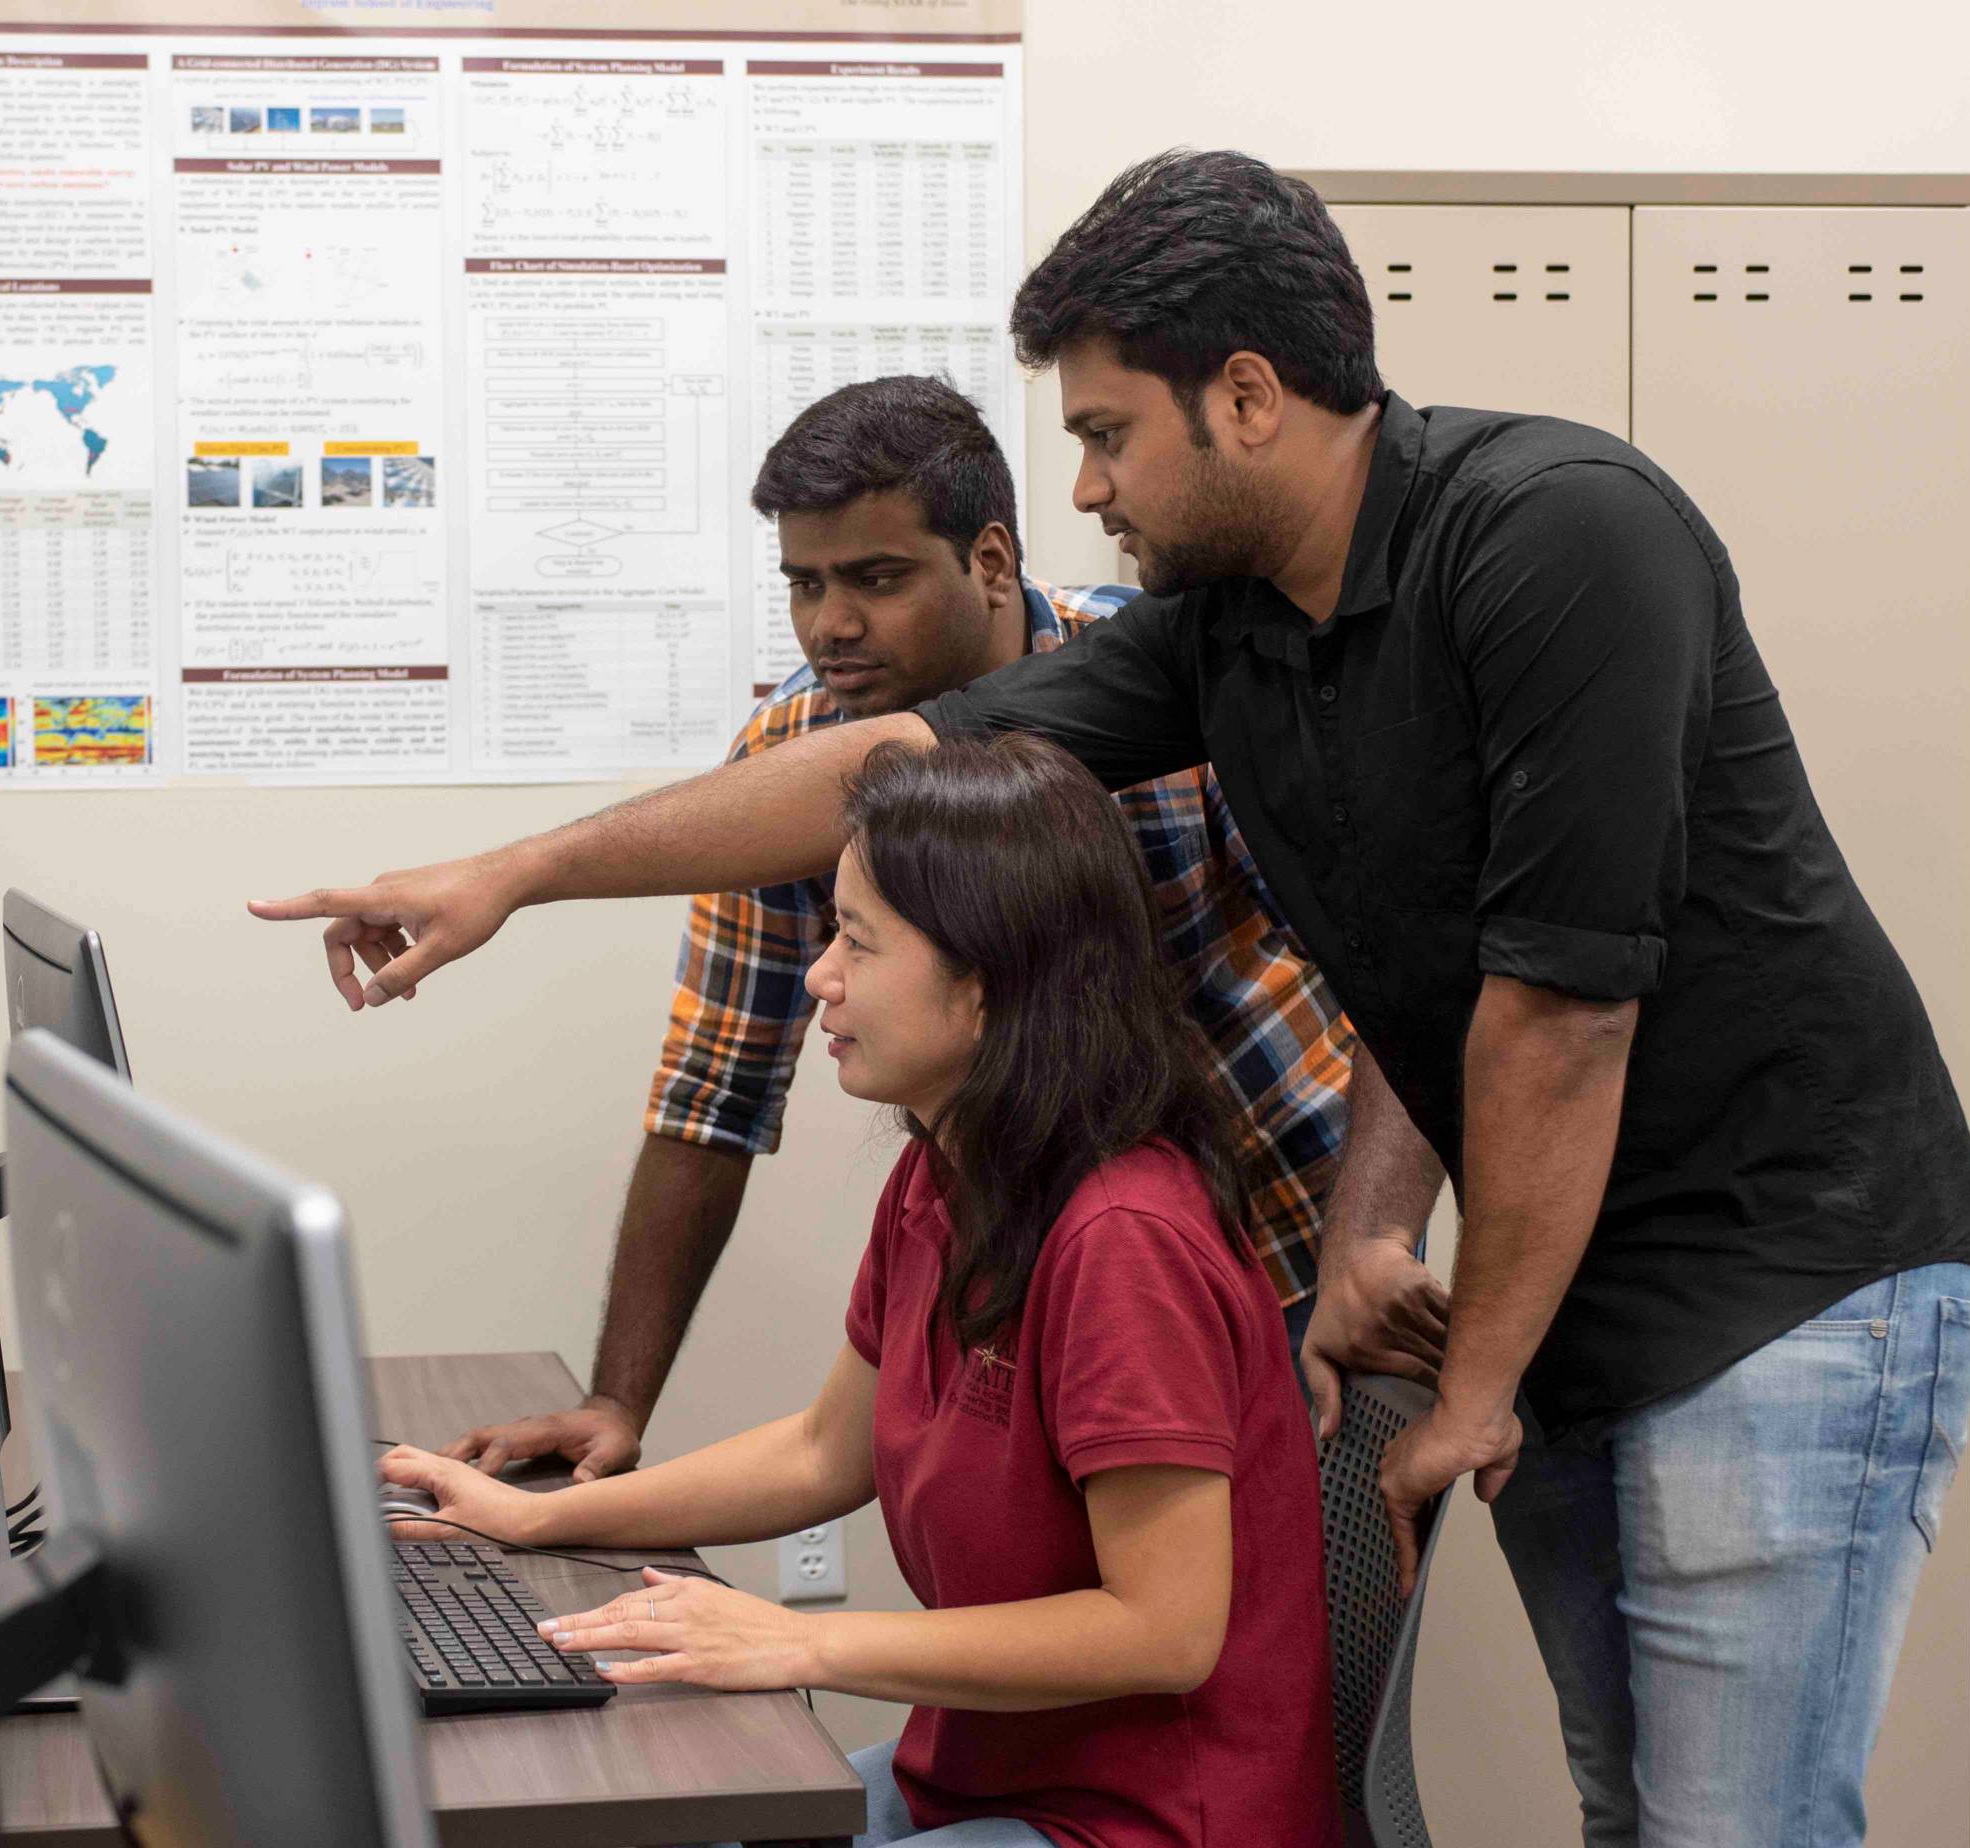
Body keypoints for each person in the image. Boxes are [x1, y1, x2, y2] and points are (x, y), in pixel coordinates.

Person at [261, 148, 1970, 1846]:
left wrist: (1466, 1378)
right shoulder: (1227, 630)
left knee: (1731, 1822)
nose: (1085, 488)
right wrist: (513, 875)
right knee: (1632, 1808)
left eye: (1104, 433)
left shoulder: (1555, 535)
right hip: (1558, 1280)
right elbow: (912, 774)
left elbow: (1556, 1005)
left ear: (1243, 396)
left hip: (1792, 1268)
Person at [437, 374, 1437, 1488]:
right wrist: (616, 1401)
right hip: (1035, 1268)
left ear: (992, 561)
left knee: (1270, 1625)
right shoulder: (788, 759)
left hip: (1290, 1229)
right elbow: (709, 1092)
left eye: (875, 578)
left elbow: (1404, 973)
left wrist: (1369, 1243)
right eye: (803, 585)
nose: (832, 624)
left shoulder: (1174, 677)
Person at [382, 736, 1341, 1848]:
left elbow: (1161, 1630)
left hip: (1140, 1822)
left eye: (856, 940)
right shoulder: (945, 1170)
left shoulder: (1122, 1240)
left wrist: (801, 1643)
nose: (818, 975)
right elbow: (819, 1452)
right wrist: (533, 1518)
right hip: (984, 1773)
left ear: (987, 987)